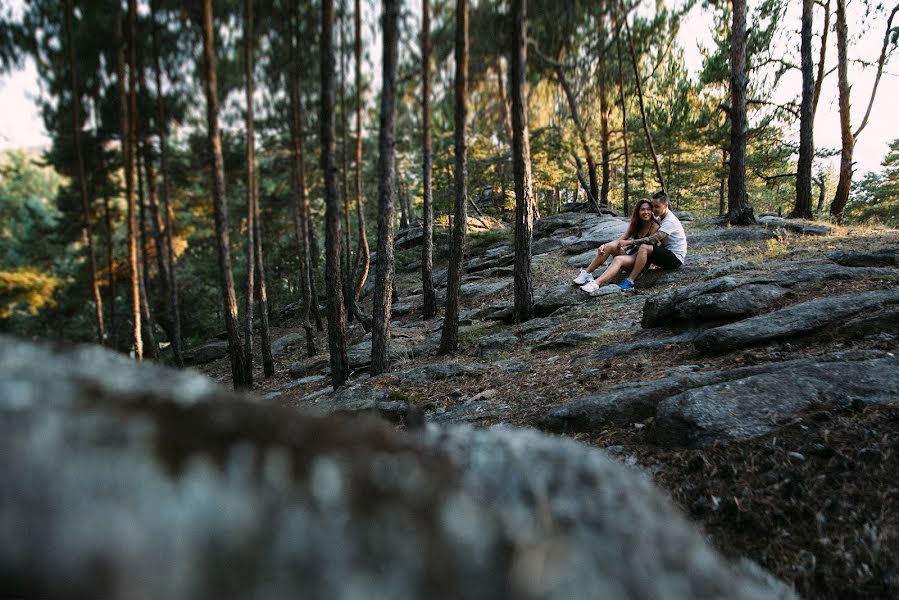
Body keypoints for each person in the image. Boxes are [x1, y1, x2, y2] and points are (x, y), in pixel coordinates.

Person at [572, 198, 660, 293]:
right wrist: (605, 245)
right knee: (609, 247)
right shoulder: (636, 224)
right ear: (638, 211)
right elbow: (620, 240)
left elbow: (648, 246)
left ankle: (596, 283)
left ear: (652, 211)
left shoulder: (654, 226)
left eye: (648, 209)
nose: (646, 212)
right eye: (642, 209)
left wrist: (627, 249)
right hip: (631, 256)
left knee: (618, 259)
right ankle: (587, 273)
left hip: (641, 261)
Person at [616, 190, 687, 290]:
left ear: (666, 205)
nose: (654, 209)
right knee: (641, 250)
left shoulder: (670, 221)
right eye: (653, 206)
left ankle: (630, 281)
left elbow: (653, 239)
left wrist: (630, 242)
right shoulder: (660, 218)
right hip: (666, 252)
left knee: (645, 248)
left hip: (675, 258)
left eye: (657, 206)